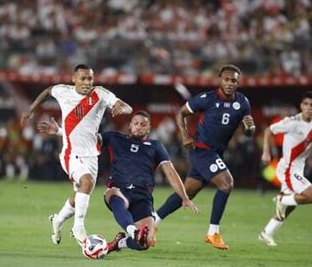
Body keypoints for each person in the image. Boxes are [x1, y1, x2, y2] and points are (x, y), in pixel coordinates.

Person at [37, 111, 198, 253]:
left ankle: (118, 244)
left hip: (143, 196)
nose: (138, 127)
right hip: (118, 190)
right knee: (114, 195)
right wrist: (59, 131)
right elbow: (85, 139)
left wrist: (184, 197)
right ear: (130, 126)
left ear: (149, 128)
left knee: (145, 242)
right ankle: (132, 231)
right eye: (135, 123)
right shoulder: (115, 137)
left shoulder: (155, 146)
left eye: (143, 124)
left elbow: (170, 172)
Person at [20, 64, 132, 245]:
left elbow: (126, 107)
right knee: (86, 182)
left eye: (90, 79)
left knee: (79, 196)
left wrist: (121, 108)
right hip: (70, 154)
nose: (87, 82)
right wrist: (31, 109)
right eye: (83, 78)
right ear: (74, 79)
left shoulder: (100, 94)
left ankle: (57, 220)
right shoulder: (64, 92)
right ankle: (78, 227)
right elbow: (48, 91)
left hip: (91, 156)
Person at [153, 64, 255, 250]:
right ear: (219, 80)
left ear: (238, 82)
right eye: (227, 79)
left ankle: (153, 221)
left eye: (234, 80)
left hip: (216, 152)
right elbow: (181, 113)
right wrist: (185, 135)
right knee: (226, 183)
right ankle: (212, 232)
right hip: (202, 150)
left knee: (187, 192)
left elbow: (248, 131)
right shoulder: (206, 99)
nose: (230, 83)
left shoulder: (243, 102)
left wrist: (250, 128)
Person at [258, 91, 312, 247]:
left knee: (289, 208)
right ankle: (280, 199)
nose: (309, 108)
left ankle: (267, 233)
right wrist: (266, 152)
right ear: (301, 105)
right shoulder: (291, 122)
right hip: (288, 169)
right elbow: (268, 131)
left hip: (299, 168)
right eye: (306, 104)